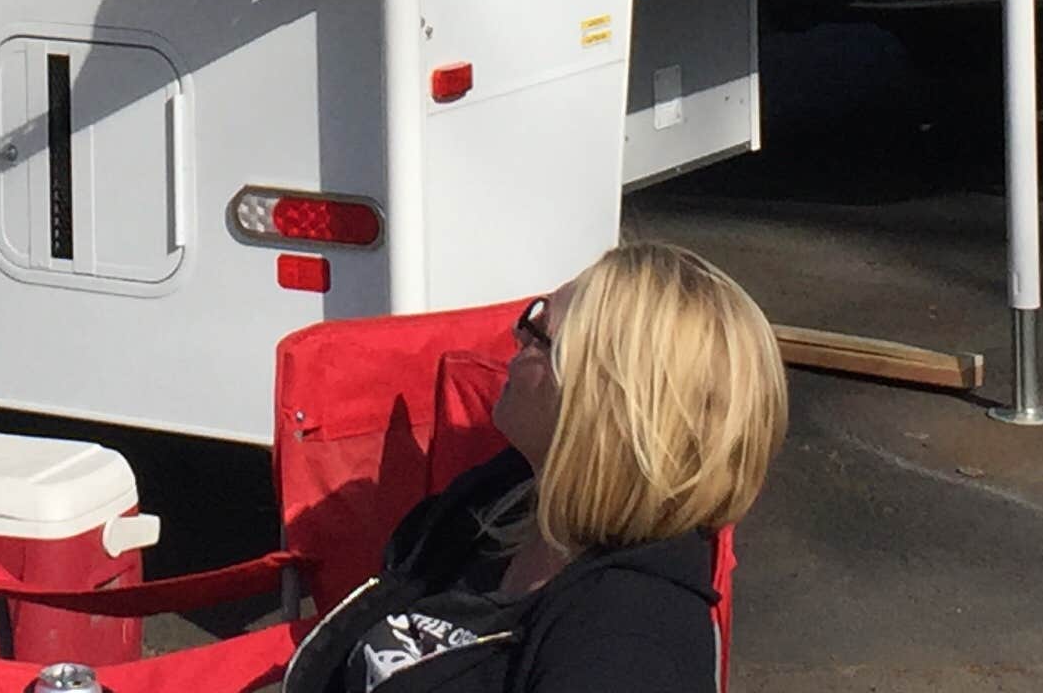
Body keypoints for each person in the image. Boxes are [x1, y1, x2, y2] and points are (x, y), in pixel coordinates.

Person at [283, 240, 788, 692]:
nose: (515, 335)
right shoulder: (507, 500)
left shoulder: (627, 648)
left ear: (601, 401)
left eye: (541, 332)